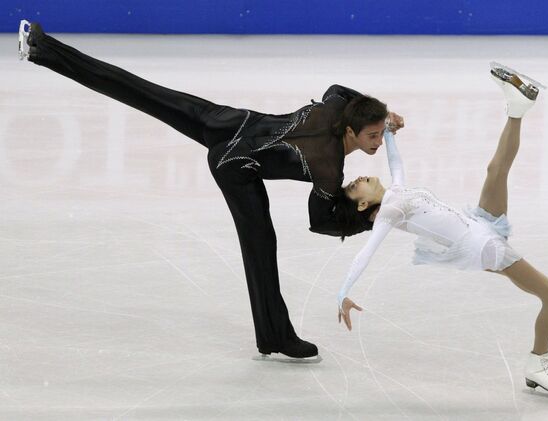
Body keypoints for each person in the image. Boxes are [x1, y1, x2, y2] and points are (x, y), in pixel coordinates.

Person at [17, 20, 404, 361]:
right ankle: (277, 338)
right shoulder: (327, 167)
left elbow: (338, 88)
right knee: (261, 249)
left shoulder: (337, 109)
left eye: (379, 133)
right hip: (235, 165)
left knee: (140, 91)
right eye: (373, 134)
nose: (377, 142)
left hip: (227, 122)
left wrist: (381, 117)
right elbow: (318, 221)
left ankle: (42, 48)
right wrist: (367, 218)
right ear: (351, 131)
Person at [334, 63, 548, 393]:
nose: (358, 178)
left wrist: (387, 131)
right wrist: (343, 293)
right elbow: (366, 253)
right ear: (362, 205)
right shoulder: (389, 211)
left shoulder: (396, 191)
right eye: (354, 187)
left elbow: (395, 161)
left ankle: (517, 107)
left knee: (496, 169)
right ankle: (538, 362)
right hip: (482, 246)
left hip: (479, 223)